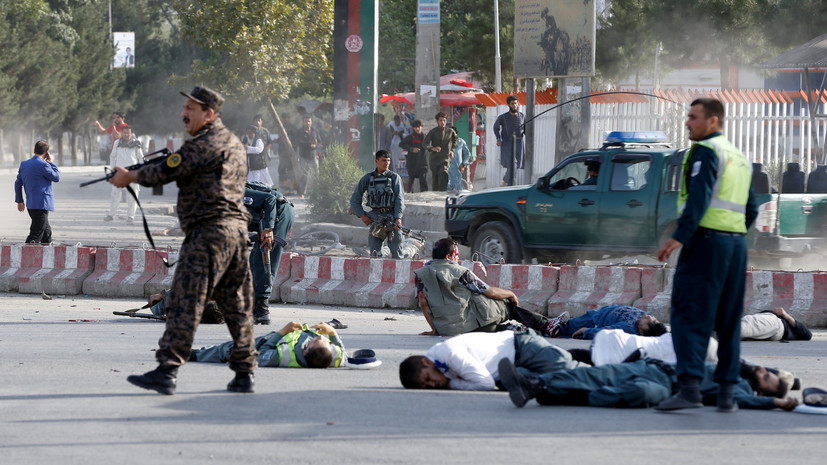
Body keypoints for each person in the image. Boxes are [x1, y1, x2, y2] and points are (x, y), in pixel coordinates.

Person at [110, 86, 258, 395]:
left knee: (184, 301)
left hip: (208, 234)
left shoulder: (204, 144)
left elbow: (166, 170)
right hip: (236, 235)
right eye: (185, 106)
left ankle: (167, 370)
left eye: (192, 107)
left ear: (210, 114)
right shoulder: (234, 144)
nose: (184, 112)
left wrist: (130, 177)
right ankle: (245, 373)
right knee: (237, 305)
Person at [656, 98, 758, 412]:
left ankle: (689, 389)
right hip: (735, 245)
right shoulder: (738, 156)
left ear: (712, 121)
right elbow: (752, 207)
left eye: (693, 117)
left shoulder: (706, 152)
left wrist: (678, 237)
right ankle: (727, 395)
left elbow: (698, 200)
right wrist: (734, 232)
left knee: (689, 313)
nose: (688, 122)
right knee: (729, 319)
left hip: (706, 244)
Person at [498, 356, 800, 411]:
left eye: (769, 377)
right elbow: (763, 370)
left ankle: (550, 393)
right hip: (653, 367)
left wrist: (777, 402)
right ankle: (534, 382)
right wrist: (785, 381)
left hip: (664, 388)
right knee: (592, 375)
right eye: (769, 370)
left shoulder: (741, 389)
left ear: (763, 390)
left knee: (635, 392)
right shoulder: (739, 365)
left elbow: (748, 401)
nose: (765, 370)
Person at [414, 238, 568, 337]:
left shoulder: (420, 275)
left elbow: (424, 304)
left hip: (447, 330)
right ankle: (546, 325)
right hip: (468, 325)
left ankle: (509, 330)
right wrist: (510, 294)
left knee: (483, 320)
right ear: (448, 256)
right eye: (456, 255)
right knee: (506, 305)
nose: (457, 258)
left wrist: (435, 330)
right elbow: (490, 292)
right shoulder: (460, 272)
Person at [399, 330, 587, 391]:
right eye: (427, 386)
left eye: (428, 378)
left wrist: (451, 383)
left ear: (427, 362)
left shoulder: (450, 354)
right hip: (516, 365)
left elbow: (485, 383)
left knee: (575, 373)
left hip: (524, 349)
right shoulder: (437, 362)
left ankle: (611, 369)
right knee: (555, 383)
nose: (433, 385)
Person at [192, 321, 345, 369]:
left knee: (225, 351)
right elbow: (343, 354)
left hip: (267, 342)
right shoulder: (330, 355)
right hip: (292, 333)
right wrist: (332, 333)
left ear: (306, 351)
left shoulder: (283, 357)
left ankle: (189, 354)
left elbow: (260, 354)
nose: (321, 338)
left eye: (317, 340)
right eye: (326, 342)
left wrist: (283, 331)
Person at [244, 181, 295, 325]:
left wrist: (268, 229)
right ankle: (253, 307)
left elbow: (269, 200)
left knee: (264, 260)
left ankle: (262, 311)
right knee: (254, 260)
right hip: (267, 218)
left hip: (280, 214)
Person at [349, 150, 405, 259]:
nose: (386, 163)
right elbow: (355, 199)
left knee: (397, 252)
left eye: (388, 160)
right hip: (375, 218)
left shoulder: (394, 178)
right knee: (375, 253)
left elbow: (399, 199)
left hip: (391, 217)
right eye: (383, 160)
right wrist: (362, 215)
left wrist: (398, 218)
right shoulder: (368, 178)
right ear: (376, 161)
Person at [14, 140, 60, 244]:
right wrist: (51, 163)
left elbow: (17, 184)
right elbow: (56, 177)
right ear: (46, 152)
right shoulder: (44, 165)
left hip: (31, 204)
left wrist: (19, 201)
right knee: (36, 233)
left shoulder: (24, 164)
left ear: (34, 150)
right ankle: (26, 255)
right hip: (42, 204)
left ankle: (48, 254)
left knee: (46, 232)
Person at [552, 305, 668, 340]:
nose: (647, 316)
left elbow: (604, 333)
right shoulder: (649, 318)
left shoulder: (628, 330)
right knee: (557, 326)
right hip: (598, 313)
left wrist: (586, 331)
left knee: (557, 329)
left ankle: (539, 327)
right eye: (653, 319)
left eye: (648, 321)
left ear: (642, 333)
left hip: (592, 321)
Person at [105, 126, 143, 224]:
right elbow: (112, 156)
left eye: (128, 133)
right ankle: (111, 215)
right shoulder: (117, 143)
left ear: (131, 134)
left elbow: (141, 158)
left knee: (132, 195)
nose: (126, 135)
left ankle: (131, 216)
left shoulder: (136, 143)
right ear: (122, 133)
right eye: (125, 133)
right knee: (115, 194)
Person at [492, 95, 525, 186]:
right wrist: (498, 138)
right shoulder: (503, 117)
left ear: (518, 104)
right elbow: (496, 127)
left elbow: (526, 129)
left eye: (515, 103)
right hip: (507, 143)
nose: (514, 105)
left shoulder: (522, 116)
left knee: (517, 165)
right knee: (512, 165)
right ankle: (505, 182)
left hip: (519, 143)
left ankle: (509, 186)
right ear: (509, 105)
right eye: (512, 104)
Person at [422, 112, 457, 191]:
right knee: (435, 180)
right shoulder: (433, 132)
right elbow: (424, 144)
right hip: (435, 159)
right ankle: (436, 194)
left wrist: (452, 150)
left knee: (444, 172)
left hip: (445, 158)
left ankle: (443, 192)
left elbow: (455, 140)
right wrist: (432, 148)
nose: (443, 122)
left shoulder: (450, 131)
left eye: (444, 120)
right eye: (441, 120)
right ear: (437, 121)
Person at [741, 307, 812, 341]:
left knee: (749, 323)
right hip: (769, 325)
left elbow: (808, 334)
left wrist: (786, 315)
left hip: (776, 323)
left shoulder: (786, 322)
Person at [399, 119, 428, 192]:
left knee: (423, 179)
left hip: (422, 162)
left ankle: (424, 195)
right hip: (412, 163)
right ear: (413, 128)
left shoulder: (425, 137)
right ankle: (408, 195)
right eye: (416, 127)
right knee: (411, 180)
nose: (418, 129)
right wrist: (411, 149)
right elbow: (401, 144)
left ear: (422, 127)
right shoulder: (411, 137)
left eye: (419, 127)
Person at [295, 115, 321, 194]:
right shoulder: (299, 132)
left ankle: (316, 192)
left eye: (309, 121)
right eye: (306, 121)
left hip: (313, 156)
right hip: (303, 157)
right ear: (303, 122)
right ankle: (302, 192)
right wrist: (310, 144)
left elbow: (320, 142)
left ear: (311, 122)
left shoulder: (315, 131)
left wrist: (316, 145)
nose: (307, 123)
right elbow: (299, 142)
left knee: (316, 175)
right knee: (303, 175)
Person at [447, 126, 470, 192]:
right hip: (448, 168)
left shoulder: (461, 142)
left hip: (458, 168)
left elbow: (468, 154)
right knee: (448, 190)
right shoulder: (445, 143)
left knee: (458, 190)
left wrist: (463, 164)